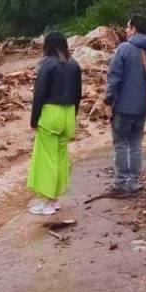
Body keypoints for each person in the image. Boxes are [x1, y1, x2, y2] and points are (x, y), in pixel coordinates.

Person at [104, 15, 146, 196]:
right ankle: (133, 182)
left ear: (133, 29)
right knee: (136, 144)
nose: (125, 30)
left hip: (123, 106)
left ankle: (120, 183)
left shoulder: (123, 49)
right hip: (143, 107)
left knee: (121, 144)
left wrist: (109, 101)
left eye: (127, 27)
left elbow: (114, 79)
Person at [27, 32, 83, 215]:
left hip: (51, 114)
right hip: (68, 114)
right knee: (61, 157)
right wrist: (73, 115)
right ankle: (56, 199)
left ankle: (48, 202)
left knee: (47, 159)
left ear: (48, 45)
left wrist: (34, 119)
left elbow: (39, 94)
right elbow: (78, 94)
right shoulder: (74, 64)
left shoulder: (47, 64)